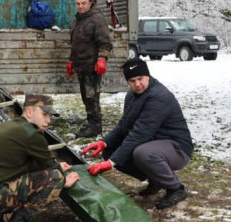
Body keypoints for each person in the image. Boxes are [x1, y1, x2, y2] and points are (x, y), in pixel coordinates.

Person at [82, 58, 193, 210]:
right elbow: (124, 125)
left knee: (143, 153)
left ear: (147, 75)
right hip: (153, 141)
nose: (137, 84)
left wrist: (111, 163)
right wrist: (104, 142)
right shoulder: (132, 95)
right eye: (132, 80)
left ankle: (176, 188)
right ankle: (157, 180)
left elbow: (140, 133)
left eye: (140, 79)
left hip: (177, 147)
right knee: (110, 150)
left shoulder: (159, 96)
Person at [67, 0, 112, 137]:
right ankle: (91, 123)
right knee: (86, 96)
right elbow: (75, 44)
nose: (80, 6)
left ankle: (95, 127)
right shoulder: (76, 21)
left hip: (92, 66)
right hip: (80, 65)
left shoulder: (97, 19)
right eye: (78, 4)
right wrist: (71, 60)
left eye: (83, 3)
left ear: (90, 3)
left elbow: (105, 42)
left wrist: (102, 58)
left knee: (92, 96)